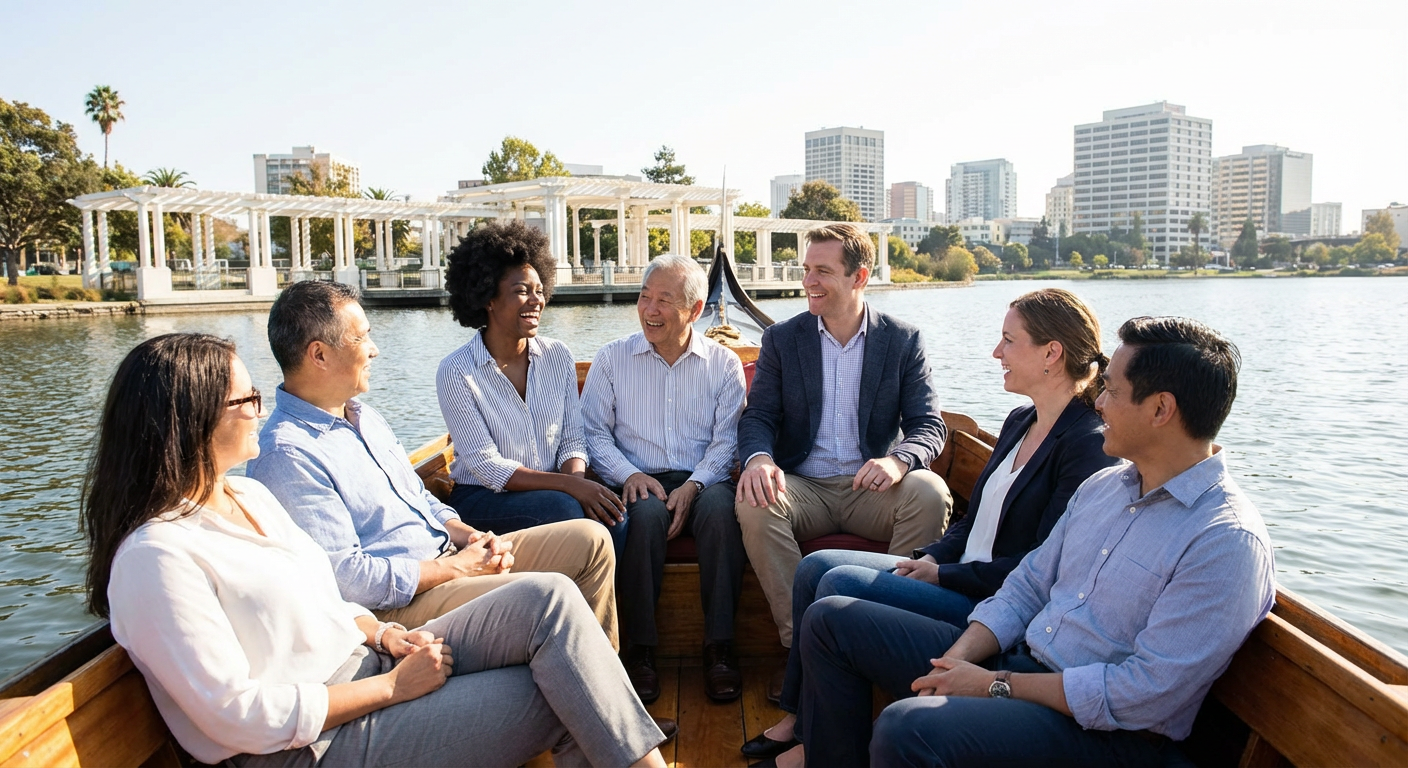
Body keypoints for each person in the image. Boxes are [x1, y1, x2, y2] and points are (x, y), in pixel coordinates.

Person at [83, 333, 668, 767]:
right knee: (566, 687)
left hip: (369, 661)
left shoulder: (248, 495)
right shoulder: (155, 558)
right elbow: (236, 716)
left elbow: (324, 595)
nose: (260, 409)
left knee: (552, 601)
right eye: (246, 400)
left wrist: (385, 637)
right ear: (191, 422)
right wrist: (391, 687)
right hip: (311, 744)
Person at [790, 317, 1275, 767]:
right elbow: (1027, 587)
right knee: (831, 621)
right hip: (1020, 663)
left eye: (1111, 390)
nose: (1099, 403)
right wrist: (957, 663)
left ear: (1160, 409)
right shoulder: (1106, 489)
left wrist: (993, 687)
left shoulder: (1224, 541)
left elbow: (1145, 693)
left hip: (1106, 735)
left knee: (906, 729)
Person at [744, 287, 1122, 761]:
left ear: (1051, 353)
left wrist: (945, 573)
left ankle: (820, 743)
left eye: (1008, 340)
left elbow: (1037, 567)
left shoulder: (1085, 444)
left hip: (987, 601)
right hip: (957, 574)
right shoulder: (1022, 420)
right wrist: (934, 556)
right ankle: (804, 721)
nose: (996, 352)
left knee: (837, 581)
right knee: (815, 568)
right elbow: (977, 518)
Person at [246, 280, 620, 652]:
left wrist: (471, 538)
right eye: (362, 338)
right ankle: (597, 696)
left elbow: (421, 499)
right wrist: (456, 569)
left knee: (592, 541)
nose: (374, 351)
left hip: (447, 557)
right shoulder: (287, 454)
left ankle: (601, 672)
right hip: (402, 605)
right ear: (319, 355)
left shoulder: (365, 418)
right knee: (548, 593)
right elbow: (346, 579)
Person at [734, 222, 953, 660]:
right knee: (754, 500)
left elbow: (928, 425)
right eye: (806, 269)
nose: (807, 281)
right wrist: (758, 459)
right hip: (804, 488)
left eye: (822, 271)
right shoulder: (781, 338)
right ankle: (804, 648)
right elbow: (758, 415)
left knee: (930, 493)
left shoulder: (903, 340)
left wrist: (898, 461)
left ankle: (879, 634)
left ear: (859, 277)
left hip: (873, 488)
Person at [581, 254, 748, 704]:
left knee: (718, 512)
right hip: (638, 479)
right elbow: (592, 432)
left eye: (664, 301)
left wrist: (694, 485)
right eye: (644, 297)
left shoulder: (724, 363)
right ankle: (641, 651)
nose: (649, 310)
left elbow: (727, 441)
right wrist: (628, 473)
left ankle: (720, 646)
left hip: (705, 479)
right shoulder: (612, 359)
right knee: (646, 516)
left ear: (695, 310)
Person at [436, 220, 629, 555]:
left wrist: (579, 486)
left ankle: (612, 608)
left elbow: (572, 440)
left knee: (616, 516)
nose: (536, 300)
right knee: (568, 514)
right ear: (488, 299)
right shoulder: (456, 371)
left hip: (555, 489)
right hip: (484, 498)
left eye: (539, 290)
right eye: (521, 291)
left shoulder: (558, 356)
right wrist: (571, 490)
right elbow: (487, 466)